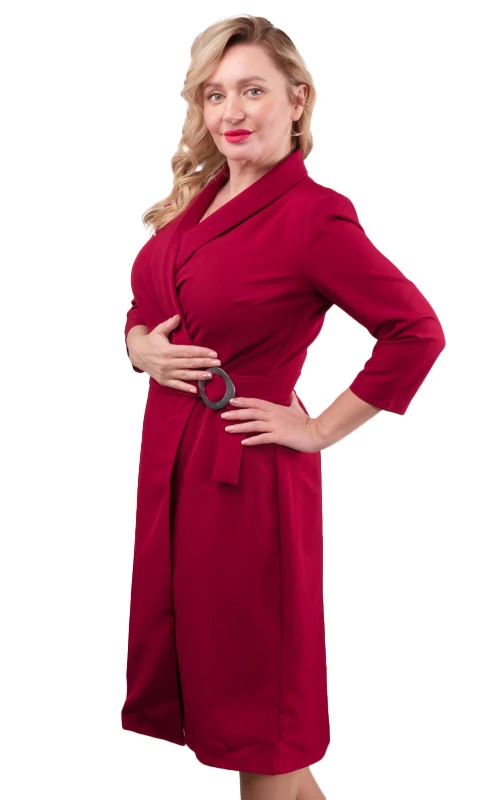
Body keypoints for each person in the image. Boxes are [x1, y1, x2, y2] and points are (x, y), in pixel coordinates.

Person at [121, 14, 446, 800]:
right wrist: (138, 347)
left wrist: (319, 428)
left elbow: (415, 332)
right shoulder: (198, 203)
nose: (230, 111)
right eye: (214, 94)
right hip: (175, 466)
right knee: (245, 705)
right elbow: (151, 306)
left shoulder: (313, 216)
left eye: (253, 90)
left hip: (246, 478)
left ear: (297, 100)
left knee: (259, 715)